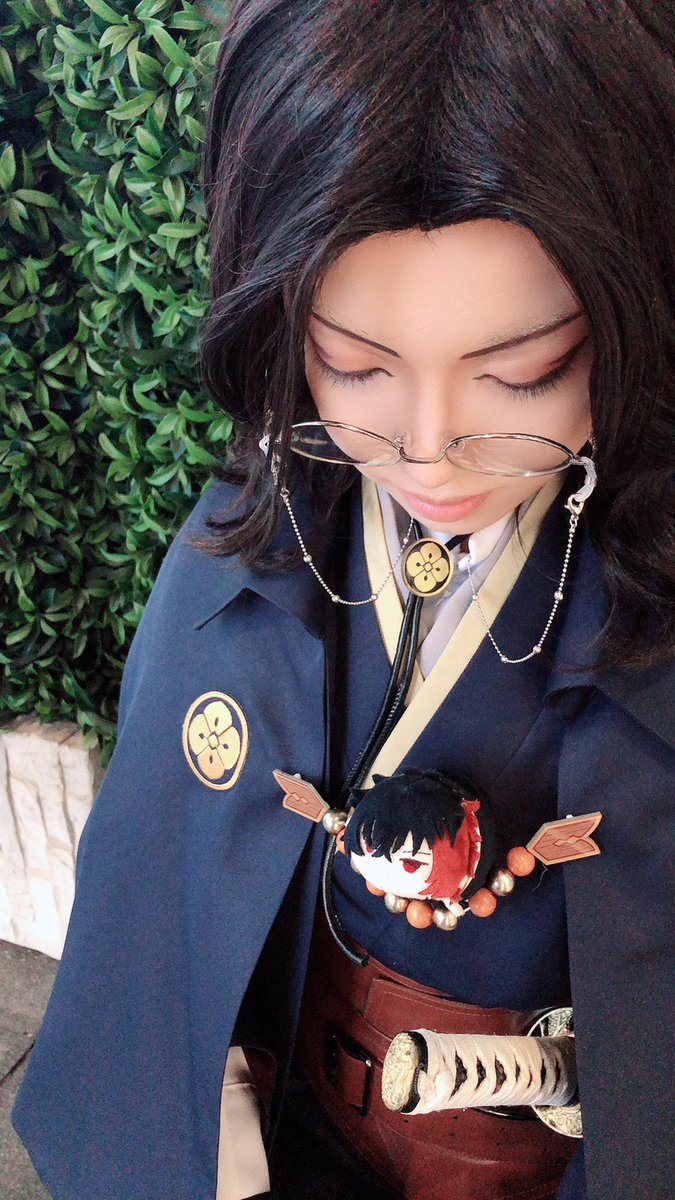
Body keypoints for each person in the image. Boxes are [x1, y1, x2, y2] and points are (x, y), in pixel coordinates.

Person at [11, 2, 674, 1199]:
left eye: (526, 375)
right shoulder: (263, 522)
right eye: (354, 364)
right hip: (298, 1125)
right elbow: (163, 885)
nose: (428, 452)